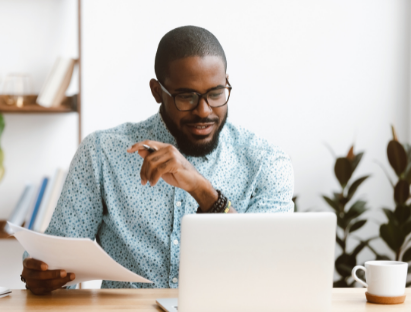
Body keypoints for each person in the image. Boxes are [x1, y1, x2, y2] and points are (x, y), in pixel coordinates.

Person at [20, 25, 294, 295]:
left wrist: (202, 189)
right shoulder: (102, 152)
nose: (204, 111)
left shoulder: (267, 163)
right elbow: (57, 256)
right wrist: (41, 274)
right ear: (157, 91)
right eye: (186, 97)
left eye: (215, 93)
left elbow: (266, 266)